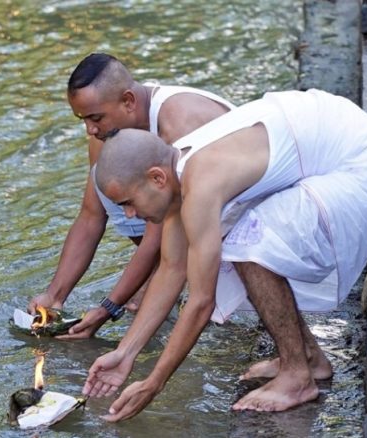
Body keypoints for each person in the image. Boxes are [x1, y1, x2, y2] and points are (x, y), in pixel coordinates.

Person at [85, 89, 367, 417]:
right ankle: (307, 356)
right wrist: (125, 353)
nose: (128, 216)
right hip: (334, 142)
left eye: (127, 203)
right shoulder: (179, 175)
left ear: (157, 177)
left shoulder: (201, 182)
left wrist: (154, 382)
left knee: (245, 242)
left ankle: (297, 376)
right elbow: (171, 269)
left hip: (365, 162)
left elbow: (200, 301)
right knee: (235, 235)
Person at [28, 53, 235, 339]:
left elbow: (160, 234)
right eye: (82, 119)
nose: (89, 129)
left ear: (128, 101)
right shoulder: (104, 136)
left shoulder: (178, 127)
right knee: (108, 185)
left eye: (95, 118)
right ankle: (152, 279)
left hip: (239, 225)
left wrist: (110, 306)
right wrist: (54, 296)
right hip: (181, 238)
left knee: (161, 310)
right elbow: (90, 217)